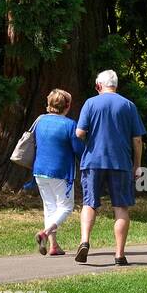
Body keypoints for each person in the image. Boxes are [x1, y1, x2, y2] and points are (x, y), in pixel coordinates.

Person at [75, 70, 146, 266]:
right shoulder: (128, 105)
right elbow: (137, 139)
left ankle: (85, 241)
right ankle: (119, 254)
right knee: (121, 207)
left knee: (89, 203)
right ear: (116, 85)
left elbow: (80, 132)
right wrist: (137, 165)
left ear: (99, 85)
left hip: (93, 161)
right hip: (120, 162)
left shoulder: (90, 103)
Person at [31, 89, 83, 257]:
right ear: (67, 106)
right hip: (60, 172)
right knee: (66, 207)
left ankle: (53, 245)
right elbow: (78, 149)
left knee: (50, 207)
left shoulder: (40, 121)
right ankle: (45, 233)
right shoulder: (70, 125)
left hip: (39, 170)